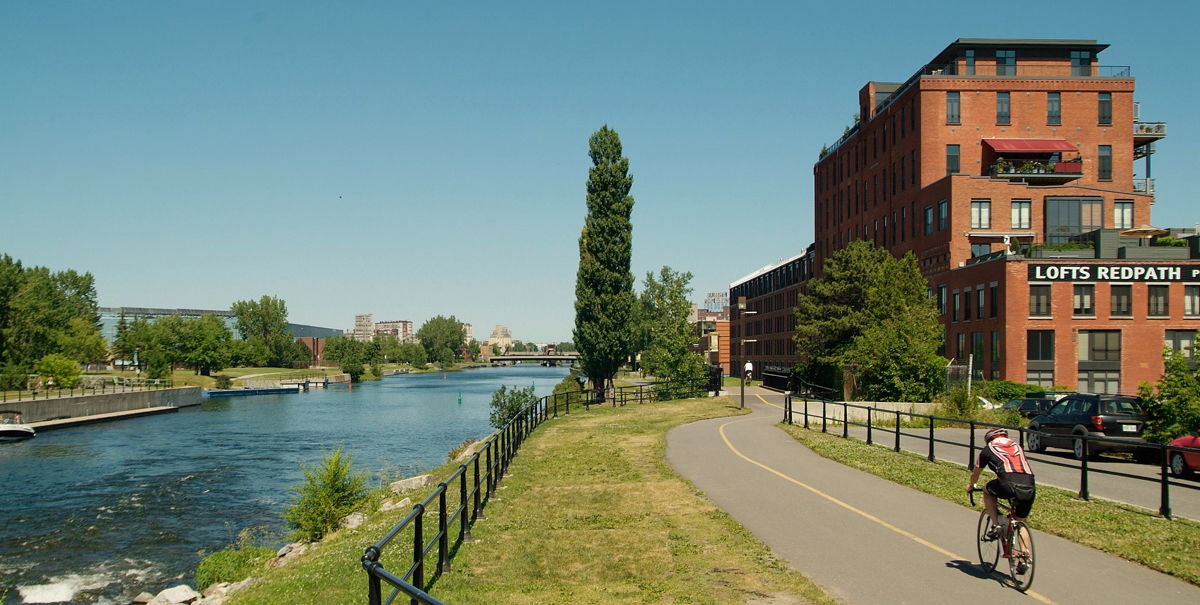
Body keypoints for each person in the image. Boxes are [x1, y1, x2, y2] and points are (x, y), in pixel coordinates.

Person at [967, 427, 1036, 539]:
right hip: (1029, 484)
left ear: (989, 439)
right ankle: (1025, 554)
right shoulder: (1017, 446)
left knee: (986, 490)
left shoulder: (988, 449)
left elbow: (976, 473)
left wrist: (971, 485)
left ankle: (996, 525)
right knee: (1021, 521)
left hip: (1007, 482)